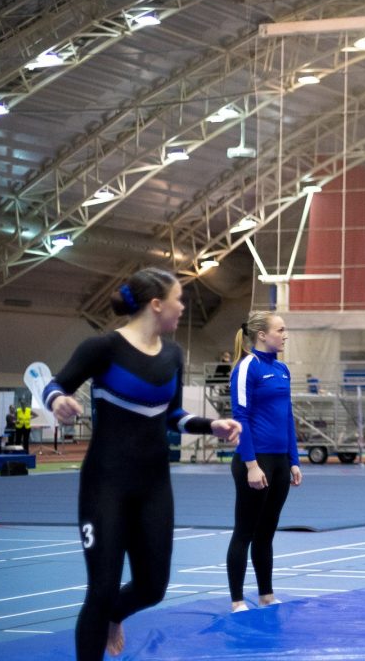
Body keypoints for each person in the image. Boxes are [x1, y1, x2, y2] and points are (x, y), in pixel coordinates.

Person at [42, 267, 242, 661]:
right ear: (156, 305)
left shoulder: (173, 355)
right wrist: (56, 401)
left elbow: (172, 415)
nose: (182, 307)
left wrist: (211, 425)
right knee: (101, 590)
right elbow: (54, 384)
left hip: (154, 487)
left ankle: (116, 614)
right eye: (178, 299)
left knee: (153, 587)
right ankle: (101, 622)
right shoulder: (102, 348)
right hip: (105, 486)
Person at [227, 311, 303, 614]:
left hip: (281, 462)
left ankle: (266, 594)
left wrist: (295, 461)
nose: (285, 335)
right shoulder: (247, 367)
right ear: (262, 334)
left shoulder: (283, 369)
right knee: (244, 531)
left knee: (267, 532)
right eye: (280, 330)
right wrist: (251, 464)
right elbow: (240, 416)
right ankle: (236, 599)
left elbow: (287, 416)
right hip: (255, 461)